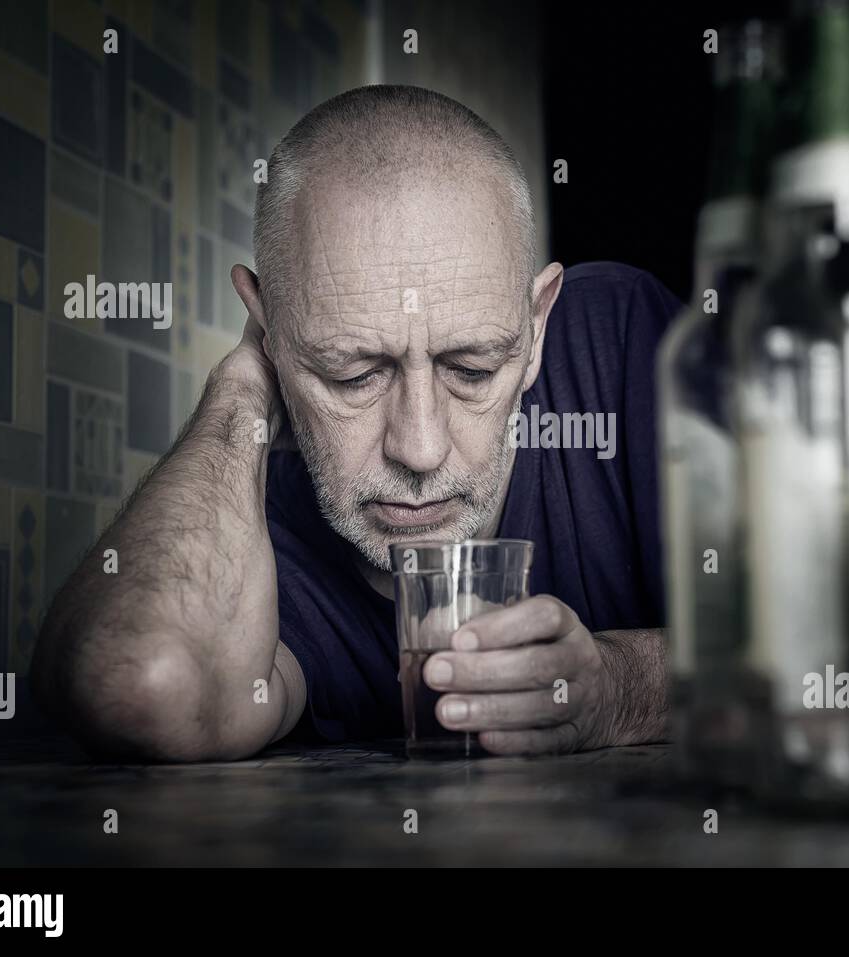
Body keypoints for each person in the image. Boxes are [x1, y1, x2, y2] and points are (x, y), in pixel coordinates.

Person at [33, 85, 677, 761]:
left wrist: (618, 687)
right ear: (267, 324)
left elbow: (801, 649)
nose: (421, 449)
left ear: (537, 321)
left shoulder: (623, 341)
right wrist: (241, 391)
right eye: (352, 374)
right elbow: (136, 685)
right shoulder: (249, 536)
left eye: (474, 368)